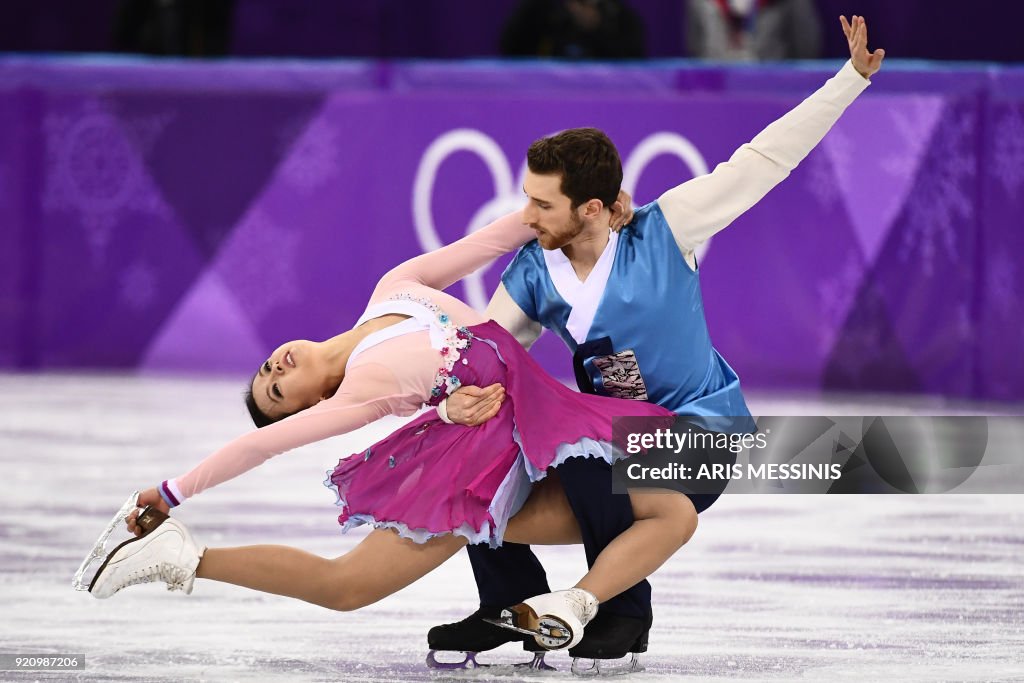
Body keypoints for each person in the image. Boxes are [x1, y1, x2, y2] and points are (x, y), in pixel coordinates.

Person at [427, 14, 884, 670]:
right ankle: (513, 603)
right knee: (485, 441)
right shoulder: (534, 270)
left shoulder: (668, 229)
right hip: (615, 442)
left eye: (542, 204)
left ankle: (624, 615)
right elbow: (486, 354)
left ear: (591, 208)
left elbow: (765, 160)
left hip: (705, 435)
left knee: (589, 453)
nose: (524, 217)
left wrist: (849, 80)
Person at [86, 202, 699, 657]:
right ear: (310, 404)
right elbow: (259, 443)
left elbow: (491, 240)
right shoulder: (354, 392)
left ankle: (569, 605)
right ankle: (182, 558)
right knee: (345, 585)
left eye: (265, 370)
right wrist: (172, 492)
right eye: (277, 393)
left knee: (673, 501)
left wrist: (575, 207)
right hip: (480, 466)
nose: (273, 370)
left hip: (539, 423)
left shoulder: (392, 291)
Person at [501, 0, 646, 60]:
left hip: (604, 95)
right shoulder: (540, 8)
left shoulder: (618, 15)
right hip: (544, 92)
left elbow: (634, 66)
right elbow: (510, 50)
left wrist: (596, 28)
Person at [685, 0, 822, 62]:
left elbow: (805, 49)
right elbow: (695, 46)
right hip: (717, 91)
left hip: (770, 91)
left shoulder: (789, 3)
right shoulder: (701, 3)